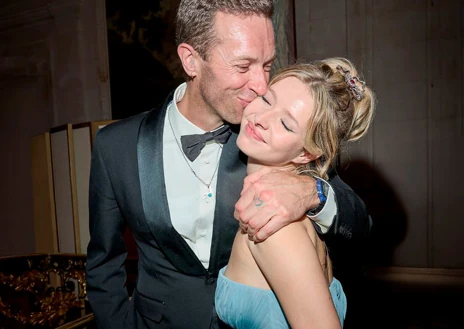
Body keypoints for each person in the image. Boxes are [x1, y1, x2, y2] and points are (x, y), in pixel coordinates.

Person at [85, 1, 371, 328]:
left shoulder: (271, 140)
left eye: (267, 64)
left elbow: (360, 222)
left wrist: (312, 192)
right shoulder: (115, 146)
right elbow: (103, 265)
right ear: (191, 60)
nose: (262, 86)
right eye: (243, 65)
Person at [215, 58, 375, 329]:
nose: (261, 119)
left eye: (286, 124)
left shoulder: (275, 225)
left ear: (307, 153)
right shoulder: (271, 209)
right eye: (266, 100)